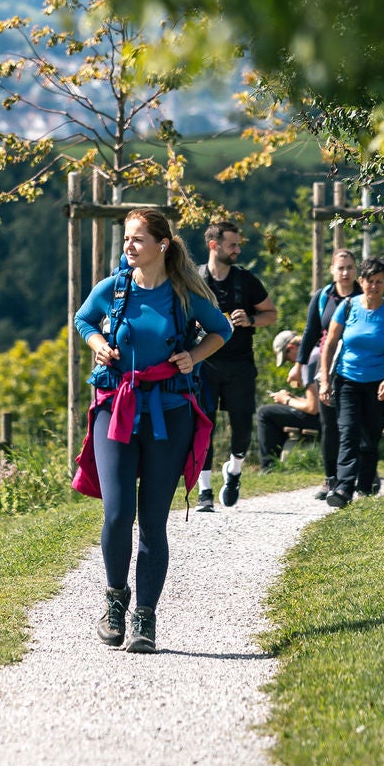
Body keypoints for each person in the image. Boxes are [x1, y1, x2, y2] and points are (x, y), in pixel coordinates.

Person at [72, 208, 233, 654]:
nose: (128, 246)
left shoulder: (184, 295)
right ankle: (115, 603)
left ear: (161, 245)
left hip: (169, 413)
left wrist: (194, 357)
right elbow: (83, 320)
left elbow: (222, 330)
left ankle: (146, 617)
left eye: (137, 239)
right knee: (118, 513)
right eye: (127, 238)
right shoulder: (115, 289)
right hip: (115, 410)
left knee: (153, 524)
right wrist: (98, 344)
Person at [194, 218, 277, 513]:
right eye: (233, 244)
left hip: (240, 364)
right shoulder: (195, 279)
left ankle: (235, 470)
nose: (238, 250)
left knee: (242, 426)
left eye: (239, 244)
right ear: (213, 245)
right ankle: (204, 491)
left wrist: (251, 319)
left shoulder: (246, 280)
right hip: (203, 363)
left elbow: (271, 313)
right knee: (203, 426)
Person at [317, 255, 384, 508]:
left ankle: (365, 487)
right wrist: (325, 380)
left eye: (379, 282)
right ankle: (343, 488)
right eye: (370, 281)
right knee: (348, 432)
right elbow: (330, 344)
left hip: (379, 384)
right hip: (348, 380)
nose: (374, 286)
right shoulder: (347, 307)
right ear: (361, 281)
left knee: (370, 438)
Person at [298, 249, 361, 501]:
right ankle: (330, 478)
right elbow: (311, 331)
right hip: (327, 368)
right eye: (340, 267)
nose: (345, 272)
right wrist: (299, 364)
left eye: (350, 267)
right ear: (332, 270)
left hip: (357, 368)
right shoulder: (323, 297)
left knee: (354, 425)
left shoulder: (364, 295)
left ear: (356, 270)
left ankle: (358, 475)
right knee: (329, 425)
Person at [256, 331, 320, 470]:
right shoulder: (318, 351)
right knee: (273, 411)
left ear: (291, 348)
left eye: (287, 357)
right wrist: (292, 398)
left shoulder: (309, 360)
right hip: (334, 412)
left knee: (264, 413)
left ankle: (269, 468)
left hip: (324, 419)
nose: (290, 362)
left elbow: (313, 408)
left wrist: (286, 400)